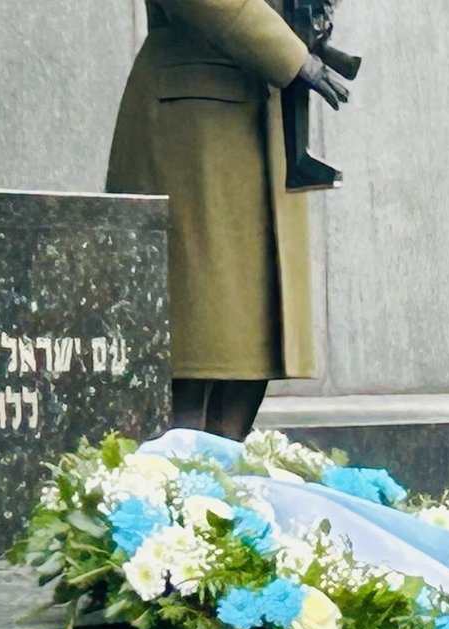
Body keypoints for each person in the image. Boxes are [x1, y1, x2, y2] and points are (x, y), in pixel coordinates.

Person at [107, 0, 350, 440]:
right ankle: (174, 494)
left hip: (265, 116)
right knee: (194, 336)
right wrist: (291, 55)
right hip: (195, 124)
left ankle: (221, 491)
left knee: (249, 338)